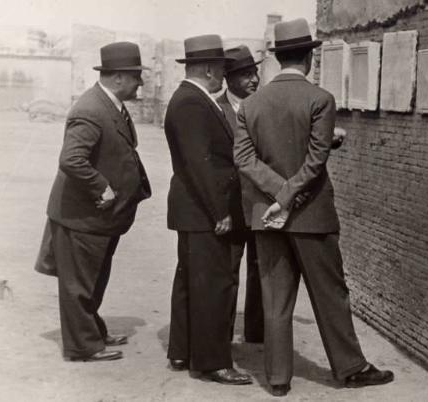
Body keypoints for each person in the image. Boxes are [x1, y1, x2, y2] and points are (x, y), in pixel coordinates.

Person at [234, 18, 394, 396]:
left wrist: (276, 195)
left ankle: (277, 378)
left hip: (266, 217)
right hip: (312, 214)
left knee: (275, 298)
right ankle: (351, 368)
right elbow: (314, 160)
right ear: (308, 57)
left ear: (278, 58)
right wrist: (289, 196)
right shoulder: (320, 99)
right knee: (330, 294)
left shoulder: (251, 104)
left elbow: (244, 158)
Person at [35, 41, 152, 362]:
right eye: (135, 77)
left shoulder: (108, 103)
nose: (139, 83)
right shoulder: (90, 109)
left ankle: (93, 332)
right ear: (117, 78)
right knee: (79, 284)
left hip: (99, 218)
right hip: (82, 215)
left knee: (93, 277)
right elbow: (71, 159)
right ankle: (82, 346)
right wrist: (102, 186)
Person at [163, 34, 252, 385]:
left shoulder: (191, 100)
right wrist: (220, 212)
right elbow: (201, 165)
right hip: (204, 212)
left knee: (190, 281)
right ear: (211, 69)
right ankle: (213, 361)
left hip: (193, 211)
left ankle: (183, 350)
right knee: (213, 284)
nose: (222, 75)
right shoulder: (192, 103)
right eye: (221, 68)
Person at [216, 45, 264, 344]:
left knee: (261, 269)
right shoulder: (214, 108)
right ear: (229, 78)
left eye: (255, 72)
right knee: (228, 271)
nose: (254, 80)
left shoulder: (262, 106)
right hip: (232, 206)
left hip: (259, 204)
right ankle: (222, 336)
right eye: (246, 75)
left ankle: (257, 333)